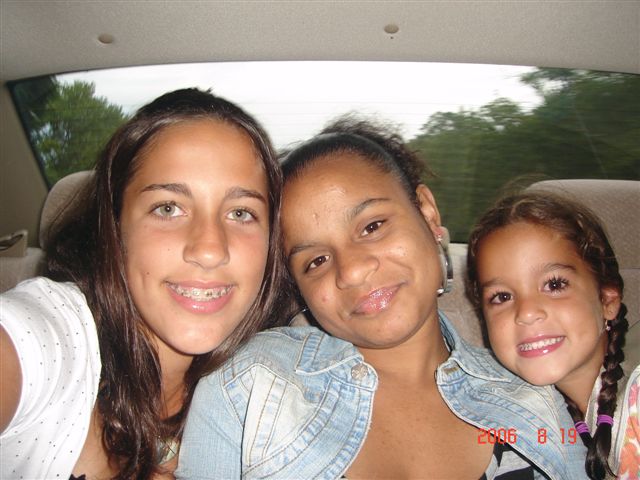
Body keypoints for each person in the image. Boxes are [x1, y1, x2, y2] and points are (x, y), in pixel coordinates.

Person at [177, 117, 587, 479]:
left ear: (427, 213)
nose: (352, 270)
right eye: (316, 261)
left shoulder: (536, 401)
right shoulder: (249, 384)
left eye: (372, 226)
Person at [0, 87, 285, 479]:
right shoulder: (55, 335)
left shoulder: (274, 387)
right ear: (115, 226)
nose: (209, 250)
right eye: (168, 208)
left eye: (241, 213)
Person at [465, 190, 640, 480]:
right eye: (502, 296)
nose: (526, 312)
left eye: (555, 284)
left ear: (607, 300)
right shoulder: (556, 419)